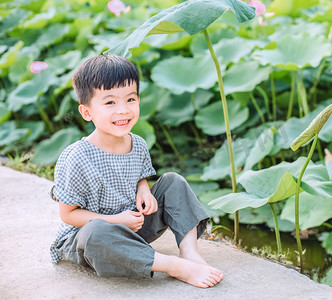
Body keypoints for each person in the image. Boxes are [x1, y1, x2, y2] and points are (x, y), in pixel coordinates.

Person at [49, 54, 224, 288]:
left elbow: (140, 176)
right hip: (88, 237)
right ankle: (173, 266)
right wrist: (113, 221)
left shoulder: (137, 143)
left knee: (173, 181)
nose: (123, 110)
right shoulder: (77, 156)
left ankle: (189, 252)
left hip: (133, 224)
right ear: (87, 112)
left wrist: (144, 190)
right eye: (110, 102)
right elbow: (68, 214)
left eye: (130, 99)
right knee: (97, 231)